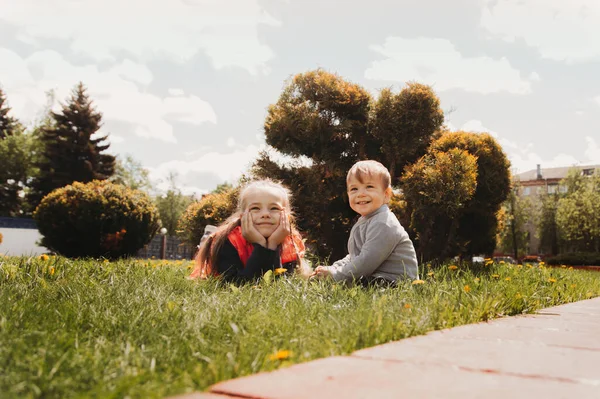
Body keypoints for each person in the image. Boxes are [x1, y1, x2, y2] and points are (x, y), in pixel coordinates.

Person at [311, 160, 418, 285]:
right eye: (354, 189)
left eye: (369, 187)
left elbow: (366, 261)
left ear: (386, 194)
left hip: (395, 281)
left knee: (358, 284)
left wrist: (335, 275)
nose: (361, 194)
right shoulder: (365, 221)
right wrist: (333, 268)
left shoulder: (383, 223)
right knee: (345, 283)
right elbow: (354, 257)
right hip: (373, 275)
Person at [189, 179, 308, 282]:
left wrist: (272, 245)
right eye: (255, 208)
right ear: (242, 216)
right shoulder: (227, 241)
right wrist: (262, 246)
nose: (265, 214)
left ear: (286, 216)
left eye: (274, 208)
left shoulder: (290, 241)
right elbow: (238, 285)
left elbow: (277, 284)